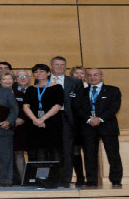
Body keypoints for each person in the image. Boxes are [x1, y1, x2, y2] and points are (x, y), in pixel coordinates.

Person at [75, 68, 123, 188]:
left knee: (113, 155)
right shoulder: (81, 91)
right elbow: (77, 107)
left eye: (96, 75)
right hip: (88, 127)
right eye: (90, 75)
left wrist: (100, 119)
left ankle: (116, 180)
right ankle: (91, 180)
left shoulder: (113, 90)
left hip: (107, 126)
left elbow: (114, 108)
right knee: (89, 155)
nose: (93, 77)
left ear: (101, 76)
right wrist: (89, 119)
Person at [49, 56, 82, 187]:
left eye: (63, 65)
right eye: (57, 65)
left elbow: (79, 102)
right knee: (52, 149)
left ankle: (66, 180)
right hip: (49, 118)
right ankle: (53, 178)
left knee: (67, 150)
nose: (60, 67)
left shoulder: (74, 81)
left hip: (67, 118)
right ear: (51, 66)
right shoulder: (43, 80)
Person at [22, 64, 64, 166]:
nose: (38, 74)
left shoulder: (57, 87)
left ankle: (56, 179)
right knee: (39, 152)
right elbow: (26, 106)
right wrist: (35, 120)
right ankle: (42, 178)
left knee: (55, 152)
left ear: (48, 73)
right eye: (36, 72)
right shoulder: (30, 89)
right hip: (34, 124)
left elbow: (58, 105)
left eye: (42, 71)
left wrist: (43, 119)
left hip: (52, 124)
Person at [12, 69, 31, 184]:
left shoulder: (35, 90)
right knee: (18, 153)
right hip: (17, 127)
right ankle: (22, 179)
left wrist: (24, 118)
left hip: (33, 126)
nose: (22, 79)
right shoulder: (12, 92)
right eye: (19, 77)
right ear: (15, 79)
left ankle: (35, 178)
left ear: (30, 78)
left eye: (25, 76)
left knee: (33, 153)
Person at [70, 66, 88, 186]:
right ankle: (80, 177)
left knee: (89, 152)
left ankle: (92, 178)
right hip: (73, 124)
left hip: (88, 124)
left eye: (82, 73)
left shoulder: (89, 87)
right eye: (77, 73)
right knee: (75, 152)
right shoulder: (68, 87)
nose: (79, 75)